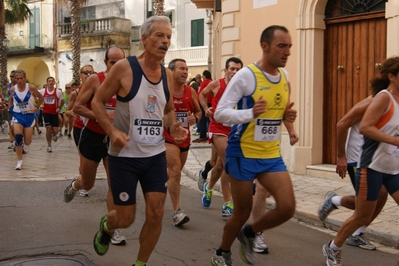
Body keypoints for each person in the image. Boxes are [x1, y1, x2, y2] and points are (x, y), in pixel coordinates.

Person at [91, 16, 188, 266]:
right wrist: (112, 131)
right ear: (144, 39)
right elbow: (97, 102)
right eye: (159, 35)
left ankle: (140, 263)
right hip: (124, 157)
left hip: (154, 156)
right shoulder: (124, 68)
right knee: (124, 218)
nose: (165, 41)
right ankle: (107, 225)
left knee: (156, 213)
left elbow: (166, 110)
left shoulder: (167, 75)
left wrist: (173, 125)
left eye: (168, 36)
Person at [211, 25, 297, 265]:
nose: (287, 52)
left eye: (289, 46)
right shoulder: (246, 76)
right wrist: (249, 113)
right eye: (282, 46)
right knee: (241, 212)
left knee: (288, 207)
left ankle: (249, 234)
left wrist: (288, 121)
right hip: (243, 153)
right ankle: (222, 253)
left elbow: (279, 112)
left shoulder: (285, 77)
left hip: (270, 154)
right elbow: (220, 113)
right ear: (265, 46)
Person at [322, 56, 399, 266]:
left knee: (371, 208)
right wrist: (341, 156)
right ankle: (333, 247)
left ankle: (343, 216)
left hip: (392, 167)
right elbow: (364, 128)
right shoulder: (381, 99)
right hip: (370, 166)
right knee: (362, 216)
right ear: (391, 76)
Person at [63, 46, 127, 245]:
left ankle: (112, 228)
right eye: (112, 62)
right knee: (88, 183)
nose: (116, 66)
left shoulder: (128, 82)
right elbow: (77, 107)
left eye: (120, 62)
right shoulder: (95, 79)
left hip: (114, 138)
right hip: (92, 136)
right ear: (106, 63)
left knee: (114, 184)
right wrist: (101, 115)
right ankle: (76, 185)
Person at [318, 86, 389, 251]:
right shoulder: (368, 103)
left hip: (376, 159)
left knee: (380, 196)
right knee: (369, 200)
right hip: (358, 159)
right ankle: (343, 237)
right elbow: (341, 124)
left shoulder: (392, 104)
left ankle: (356, 231)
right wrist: (341, 156)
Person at [198, 57, 243, 220]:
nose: (235, 72)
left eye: (238, 69)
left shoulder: (242, 87)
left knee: (218, 165)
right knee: (228, 162)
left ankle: (208, 188)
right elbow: (202, 95)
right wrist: (206, 110)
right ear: (226, 70)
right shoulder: (217, 84)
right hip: (217, 127)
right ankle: (227, 204)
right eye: (232, 69)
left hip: (234, 129)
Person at [165, 58, 201, 226]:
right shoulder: (165, 90)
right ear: (172, 71)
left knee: (174, 175)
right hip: (167, 137)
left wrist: (196, 118)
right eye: (181, 69)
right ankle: (176, 211)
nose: (185, 72)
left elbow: (198, 111)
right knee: (176, 171)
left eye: (186, 69)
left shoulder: (190, 91)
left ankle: (165, 182)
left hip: (184, 138)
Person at [65, 65, 94, 197]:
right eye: (85, 72)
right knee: (84, 158)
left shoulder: (99, 89)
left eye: (91, 72)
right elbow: (68, 111)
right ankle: (83, 183)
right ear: (80, 75)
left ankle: (83, 180)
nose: (88, 75)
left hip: (95, 129)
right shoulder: (76, 93)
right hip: (80, 128)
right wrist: (73, 112)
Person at [9, 69, 44, 169]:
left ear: (25, 78)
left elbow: (41, 98)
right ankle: (19, 161)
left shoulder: (31, 88)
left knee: (28, 141)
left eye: (21, 78)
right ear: (15, 79)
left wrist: (36, 107)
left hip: (28, 116)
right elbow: (11, 99)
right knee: (18, 137)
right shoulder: (13, 89)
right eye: (17, 78)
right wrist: (10, 108)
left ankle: (26, 145)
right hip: (17, 115)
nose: (20, 80)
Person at [39, 77, 64, 153]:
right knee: (48, 128)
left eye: (52, 81)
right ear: (47, 82)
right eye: (49, 81)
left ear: (54, 83)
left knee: (55, 130)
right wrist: (39, 104)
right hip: (46, 113)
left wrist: (59, 107)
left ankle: (55, 134)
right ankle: (49, 145)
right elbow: (37, 98)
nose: (50, 83)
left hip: (54, 113)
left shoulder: (58, 92)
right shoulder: (43, 91)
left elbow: (62, 101)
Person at [193, 70, 213, 143]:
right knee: (210, 120)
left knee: (202, 120)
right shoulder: (212, 82)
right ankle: (210, 135)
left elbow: (200, 93)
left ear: (204, 76)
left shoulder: (204, 82)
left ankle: (203, 136)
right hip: (210, 103)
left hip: (204, 103)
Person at [6, 70, 16, 149]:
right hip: (10, 109)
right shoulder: (9, 86)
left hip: (18, 109)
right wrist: (5, 101)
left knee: (16, 126)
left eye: (12, 76)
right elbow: (7, 96)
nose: (11, 78)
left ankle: (18, 140)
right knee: (11, 125)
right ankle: (11, 141)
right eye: (10, 77)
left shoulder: (20, 86)